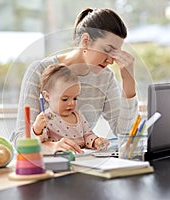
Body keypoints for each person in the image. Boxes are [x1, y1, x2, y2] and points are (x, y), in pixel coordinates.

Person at [12, 8, 138, 153]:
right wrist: (52, 147)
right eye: (108, 50)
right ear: (85, 41)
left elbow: (126, 134)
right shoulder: (39, 71)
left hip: (83, 164)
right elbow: (21, 139)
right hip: (48, 166)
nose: (111, 60)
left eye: (116, 53)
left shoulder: (105, 77)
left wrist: (129, 82)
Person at [32, 63, 109, 153]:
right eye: (65, 99)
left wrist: (96, 141)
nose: (71, 103)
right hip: (60, 159)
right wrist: (37, 129)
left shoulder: (78, 115)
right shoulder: (46, 118)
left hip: (82, 158)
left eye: (75, 98)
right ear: (47, 96)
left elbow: (88, 135)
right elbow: (39, 142)